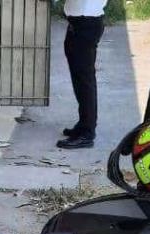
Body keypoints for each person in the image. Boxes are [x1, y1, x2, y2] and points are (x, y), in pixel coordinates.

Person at [57, 0, 107, 150]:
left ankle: (87, 133)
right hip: (80, 23)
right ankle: (84, 123)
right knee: (80, 80)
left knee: (85, 82)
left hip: (86, 23)